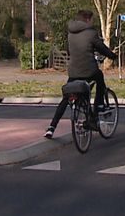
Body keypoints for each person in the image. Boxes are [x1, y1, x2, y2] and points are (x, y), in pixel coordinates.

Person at [45, 9, 118, 138]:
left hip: (73, 71)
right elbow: (102, 48)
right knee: (100, 78)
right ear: (88, 19)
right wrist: (113, 56)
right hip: (89, 70)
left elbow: (69, 50)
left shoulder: (70, 33)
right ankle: (98, 107)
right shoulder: (91, 33)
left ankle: (52, 127)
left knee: (66, 97)